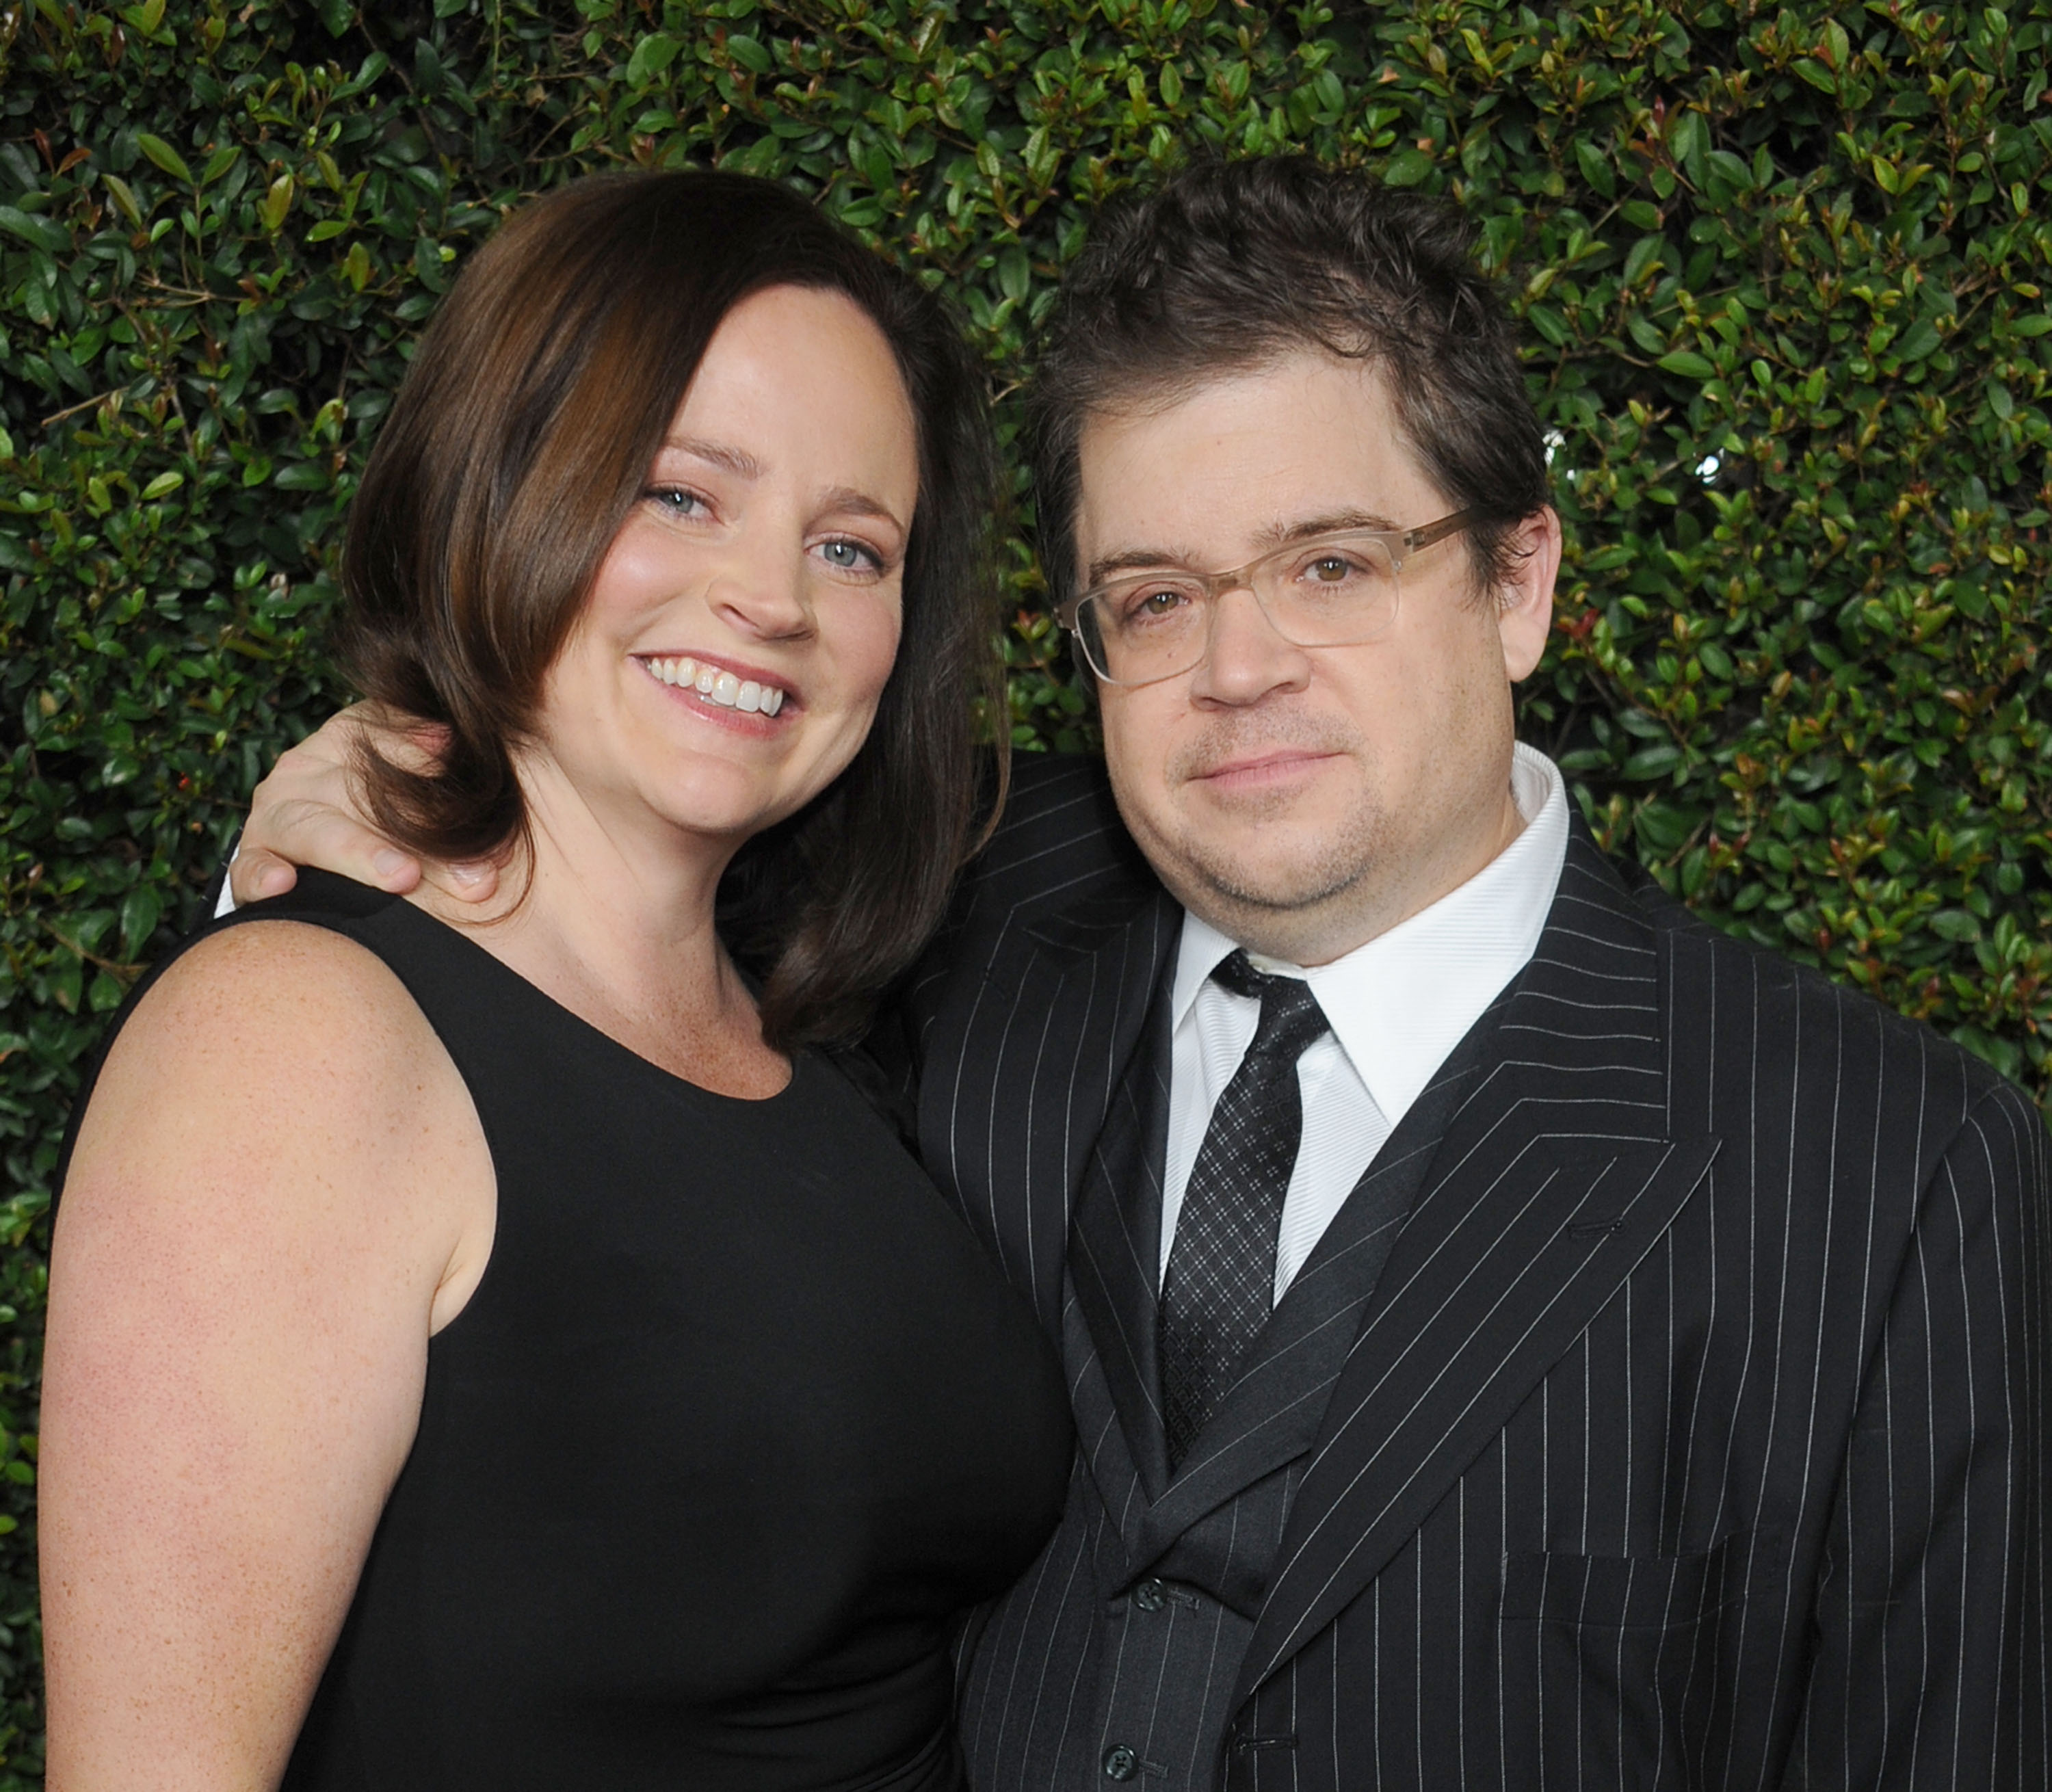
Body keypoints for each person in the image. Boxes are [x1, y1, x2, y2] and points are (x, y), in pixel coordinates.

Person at [217, 158, 2051, 1789]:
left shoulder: (1888, 1174)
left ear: (1517, 582)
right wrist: (373, 800)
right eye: (1155, 596)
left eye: (1332, 563)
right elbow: (562, 963)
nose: (1236, 664)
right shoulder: (941, 928)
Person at [40, 170, 1073, 1791]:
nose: (774, 599)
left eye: (853, 546)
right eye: (678, 493)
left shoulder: (841, 1033)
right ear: (499, 483)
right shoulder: (294, 1043)